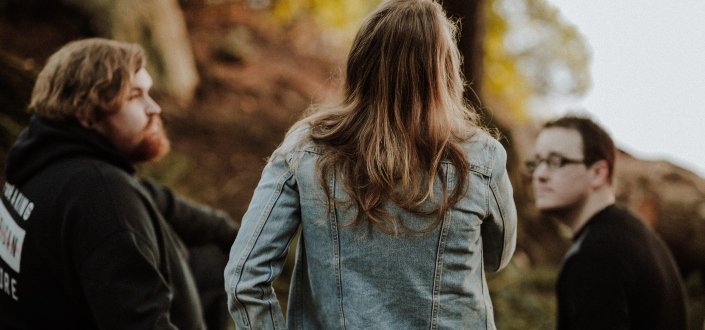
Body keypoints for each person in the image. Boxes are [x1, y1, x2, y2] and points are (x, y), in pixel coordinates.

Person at [224, 0, 517, 329]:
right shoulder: (481, 156)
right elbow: (496, 258)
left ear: (360, 60)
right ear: (445, 70)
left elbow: (244, 278)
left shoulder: (308, 147)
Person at [0, 38, 238, 329]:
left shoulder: (42, 159)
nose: (155, 108)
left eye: (148, 92)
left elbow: (162, 202)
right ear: (87, 113)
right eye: (135, 96)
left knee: (212, 260)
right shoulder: (102, 197)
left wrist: (244, 240)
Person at [527, 115, 687, 329]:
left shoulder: (596, 255)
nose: (539, 174)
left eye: (555, 162)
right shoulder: (635, 235)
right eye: (536, 163)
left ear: (598, 173)